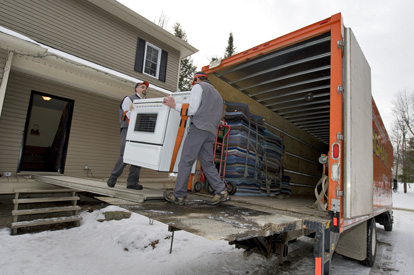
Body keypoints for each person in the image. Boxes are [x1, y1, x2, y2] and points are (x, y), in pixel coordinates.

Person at [162, 72, 230, 205]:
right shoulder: (218, 95)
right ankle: (221, 191)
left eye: (194, 82)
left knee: (186, 161)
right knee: (207, 163)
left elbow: (192, 110)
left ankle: (179, 195)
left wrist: (173, 105)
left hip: (198, 128)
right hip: (211, 132)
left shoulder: (198, 87)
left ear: (196, 79)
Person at [107, 81, 149, 190]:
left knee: (137, 156)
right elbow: (128, 114)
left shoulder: (147, 102)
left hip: (140, 132)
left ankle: (132, 182)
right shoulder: (129, 99)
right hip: (128, 128)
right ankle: (113, 177)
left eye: (146, 88)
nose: (145, 89)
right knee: (125, 152)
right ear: (136, 89)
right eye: (142, 87)